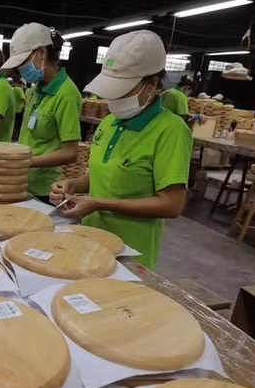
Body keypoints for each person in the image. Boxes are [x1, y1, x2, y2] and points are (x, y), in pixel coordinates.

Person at [49, 30, 193, 270]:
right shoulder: (110, 122)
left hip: (130, 253)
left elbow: (171, 204)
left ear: (152, 84)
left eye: (123, 89)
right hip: (89, 239)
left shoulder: (171, 130)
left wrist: (100, 203)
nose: (113, 97)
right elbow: (104, 174)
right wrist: (73, 185)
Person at [1, 23, 81, 196]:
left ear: (41, 52)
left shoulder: (66, 93)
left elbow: (71, 152)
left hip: (44, 190)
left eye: (23, 62)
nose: (20, 69)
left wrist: (27, 161)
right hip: (22, 181)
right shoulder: (36, 89)